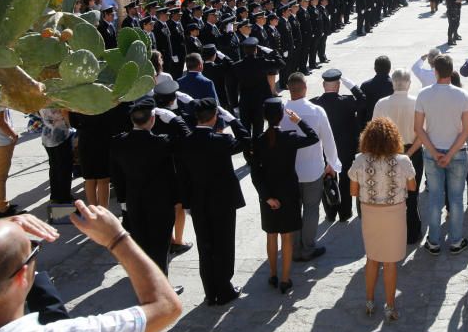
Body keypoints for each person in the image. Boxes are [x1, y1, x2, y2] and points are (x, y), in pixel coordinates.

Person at [0, 201, 182, 332]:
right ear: (22, 277)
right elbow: (166, 306)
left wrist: (2, 232)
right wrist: (117, 238)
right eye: (33, 250)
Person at [175, 98, 246, 305]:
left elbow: (183, 176)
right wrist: (233, 120)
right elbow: (246, 140)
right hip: (222, 202)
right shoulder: (221, 141)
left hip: (198, 202)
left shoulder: (185, 143)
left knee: (205, 247)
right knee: (223, 246)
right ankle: (224, 289)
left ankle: (210, 292)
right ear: (215, 117)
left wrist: (187, 203)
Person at [109, 98, 183, 288]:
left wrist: (123, 202)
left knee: (141, 244)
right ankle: (161, 287)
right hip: (160, 201)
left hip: (134, 200)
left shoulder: (119, 142)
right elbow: (187, 139)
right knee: (160, 245)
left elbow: (117, 176)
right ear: (152, 120)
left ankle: (144, 284)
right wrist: (174, 120)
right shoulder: (161, 143)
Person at [349, 118, 417, 321]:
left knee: (372, 258)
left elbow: (353, 192)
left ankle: (369, 302)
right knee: (390, 263)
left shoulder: (360, 160)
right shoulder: (402, 160)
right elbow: (412, 187)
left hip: (370, 213)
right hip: (394, 214)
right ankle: (390, 307)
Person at [251, 99, 320, 293]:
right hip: (289, 193)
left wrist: (266, 197)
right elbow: (313, 137)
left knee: (271, 235)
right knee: (286, 238)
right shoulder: (289, 136)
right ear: (282, 116)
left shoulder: (258, 140)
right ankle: (285, 279)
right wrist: (299, 121)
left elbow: (256, 174)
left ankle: (273, 274)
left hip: (268, 195)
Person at [414, 54, 468, 254]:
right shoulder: (462, 95)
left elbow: (418, 129)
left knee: (435, 200)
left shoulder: (423, 94)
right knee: (456, 199)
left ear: (435, 71)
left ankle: (433, 241)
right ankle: (456, 241)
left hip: (432, 153)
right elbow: (466, 131)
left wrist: (434, 152)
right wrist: (449, 155)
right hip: (457, 153)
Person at [284, 72, 341, 261]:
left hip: (289, 172)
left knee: (293, 211)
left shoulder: (281, 111)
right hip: (313, 171)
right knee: (311, 210)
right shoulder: (317, 111)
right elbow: (329, 140)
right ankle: (307, 248)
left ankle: (293, 248)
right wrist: (332, 164)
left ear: (288, 89)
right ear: (305, 88)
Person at [373, 69, 423, 243]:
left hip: (388, 152)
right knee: (412, 193)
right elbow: (422, 134)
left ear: (393, 83)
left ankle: (393, 232)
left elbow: (375, 133)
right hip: (413, 152)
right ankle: (412, 233)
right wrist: (408, 154)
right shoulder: (417, 103)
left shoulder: (381, 103)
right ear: (408, 84)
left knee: (390, 193)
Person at [311, 69, 366, 222]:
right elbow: (362, 100)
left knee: (327, 179)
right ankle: (345, 213)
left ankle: (330, 212)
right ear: (338, 86)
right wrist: (351, 85)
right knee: (345, 180)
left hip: (324, 150)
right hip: (345, 148)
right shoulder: (347, 102)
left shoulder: (314, 103)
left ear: (323, 85)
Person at [38, 107, 74, 205]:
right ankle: (64, 197)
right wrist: (69, 124)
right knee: (64, 168)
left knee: (54, 166)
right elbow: (65, 112)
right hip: (61, 134)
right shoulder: (56, 97)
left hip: (47, 134)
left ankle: (55, 195)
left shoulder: (41, 97)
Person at [359, 56, 394, 128]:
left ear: (375, 69)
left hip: (371, 126)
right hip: (391, 126)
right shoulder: (396, 86)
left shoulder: (365, 85)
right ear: (389, 69)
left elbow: (361, 109)